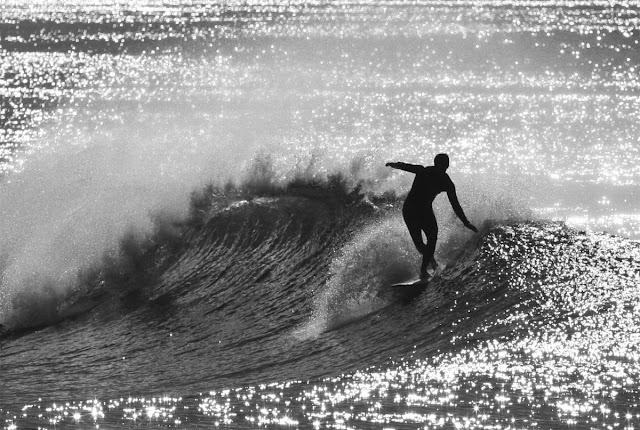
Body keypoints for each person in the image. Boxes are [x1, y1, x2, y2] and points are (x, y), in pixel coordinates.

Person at [386, 153, 478, 279]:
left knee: (432, 237)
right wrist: (394, 165)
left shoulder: (446, 182)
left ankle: (424, 270)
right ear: (438, 164)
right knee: (420, 245)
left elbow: (455, 204)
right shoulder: (424, 171)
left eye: (443, 165)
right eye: (440, 165)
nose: (441, 168)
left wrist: (466, 222)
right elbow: (406, 166)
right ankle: (431, 262)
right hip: (410, 210)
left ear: (446, 166)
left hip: (424, 211)